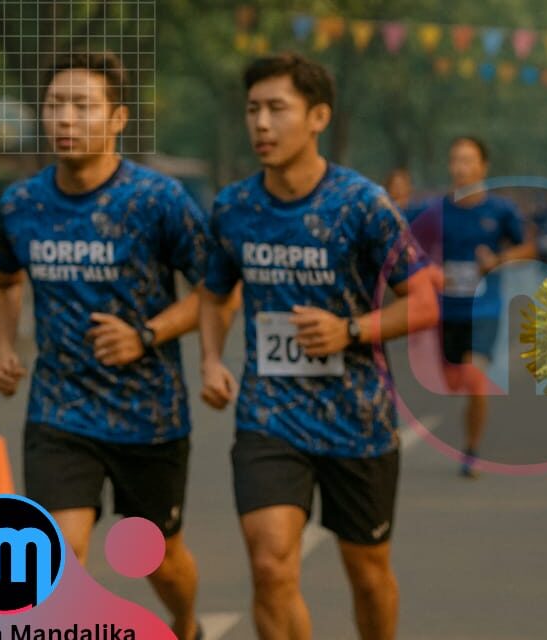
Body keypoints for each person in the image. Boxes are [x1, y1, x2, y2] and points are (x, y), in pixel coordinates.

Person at [198, 52, 439, 640]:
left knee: (367, 573)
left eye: (277, 109)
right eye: (252, 109)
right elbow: (213, 292)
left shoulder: (361, 204)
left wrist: (350, 329)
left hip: (357, 416)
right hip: (269, 412)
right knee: (268, 562)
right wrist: (209, 358)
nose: (260, 123)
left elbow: (426, 302)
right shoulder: (234, 207)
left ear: (318, 117)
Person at [0, 51, 218, 640]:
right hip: (60, 410)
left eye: (83, 106)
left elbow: (215, 290)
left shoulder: (158, 201)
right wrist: (3, 348)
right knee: (59, 557)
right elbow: (1, 280)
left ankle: (186, 624)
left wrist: (147, 335)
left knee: (159, 560)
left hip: (149, 416)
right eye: (56, 104)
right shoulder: (20, 205)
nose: (65, 117)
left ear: (118, 118)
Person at [406, 136, 536, 478]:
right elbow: (408, 247)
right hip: (446, 311)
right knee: (452, 381)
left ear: (483, 167)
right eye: (455, 160)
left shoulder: (500, 210)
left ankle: (472, 449)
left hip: (485, 309)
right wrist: (429, 272)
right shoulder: (433, 211)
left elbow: (527, 248)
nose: (461, 167)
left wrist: (498, 259)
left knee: (475, 378)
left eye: (468, 160)